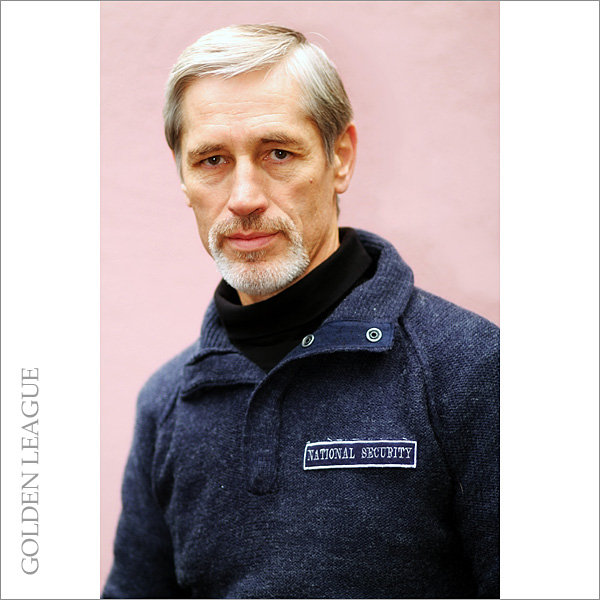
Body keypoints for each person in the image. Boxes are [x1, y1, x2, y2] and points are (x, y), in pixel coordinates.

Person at [103, 24, 499, 599]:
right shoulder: (167, 404)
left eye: (278, 153)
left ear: (341, 158)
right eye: (212, 160)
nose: (244, 197)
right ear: (183, 178)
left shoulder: (474, 369)